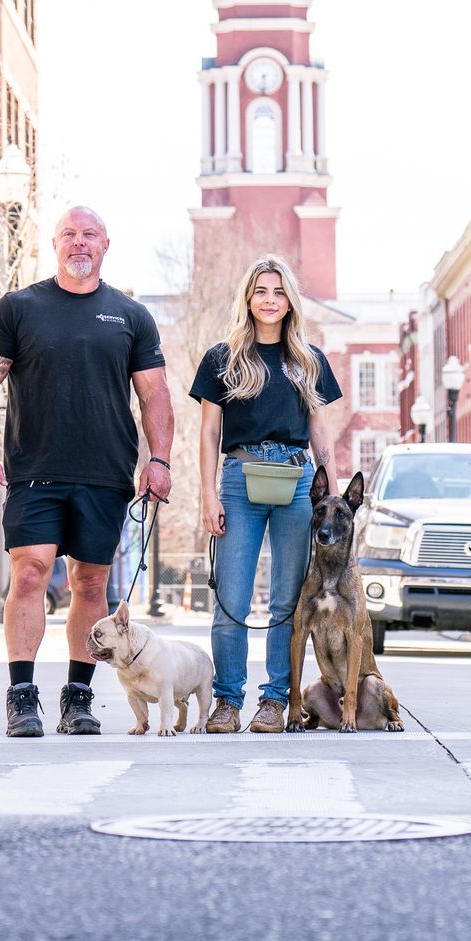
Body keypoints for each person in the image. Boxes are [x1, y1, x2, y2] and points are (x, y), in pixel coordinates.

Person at [0, 206, 173, 738]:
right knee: (31, 572)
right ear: (54, 244)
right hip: (34, 469)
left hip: (104, 473)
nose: (79, 244)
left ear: (106, 245)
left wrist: (160, 460)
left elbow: (154, 395)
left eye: (89, 236)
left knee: (90, 581)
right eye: (69, 235)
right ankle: (21, 696)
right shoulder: (19, 308)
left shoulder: (130, 316)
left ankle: (78, 698)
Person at [191, 254, 341, 733]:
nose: (270, 300)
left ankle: (276, 700)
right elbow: (209, 432)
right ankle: (227, 701)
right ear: (248, 298)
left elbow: (320, 432)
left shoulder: (309, 360)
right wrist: (207, 495)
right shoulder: (223, 358)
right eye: (261, 291)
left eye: (278, 291)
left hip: (297, 483)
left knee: (287, 600)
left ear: (290, 300)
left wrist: (332, 494)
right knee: (231, 599)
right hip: (239, 479)